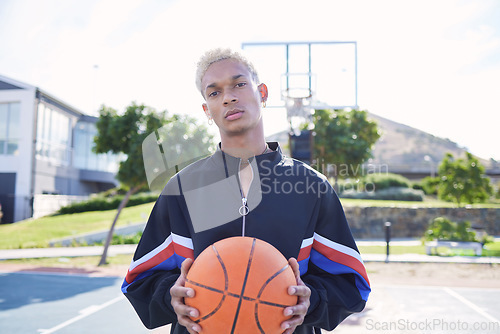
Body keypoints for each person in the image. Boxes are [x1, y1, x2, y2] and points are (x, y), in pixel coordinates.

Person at [122, 48, 371, 334]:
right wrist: (171, 296)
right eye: (214, 93)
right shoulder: (181, 188)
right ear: (207, 110)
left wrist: (310, 301)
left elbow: (351, 284)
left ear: (263, 93)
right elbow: (140, 281)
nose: (228, 97)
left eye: (239, 84)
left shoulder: (311, 187)